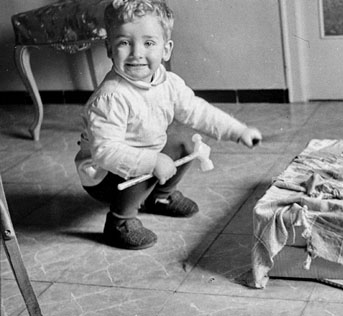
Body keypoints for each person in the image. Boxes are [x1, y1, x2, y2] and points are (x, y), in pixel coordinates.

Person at [74, 0, 262, 250]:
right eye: (124, 43)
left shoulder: (168, 82)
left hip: (142, 152)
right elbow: (105, 152)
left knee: (184, 140)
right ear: (109, 48)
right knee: (147, 160)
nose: (137, 53)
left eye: (148, 43)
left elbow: (198, 111)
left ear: (166, 49)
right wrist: (152, 162)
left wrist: (237, 131)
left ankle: (159, 198)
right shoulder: (111, 97)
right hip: (104, 175)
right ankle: (119, 222)